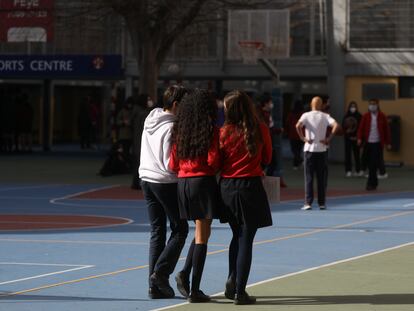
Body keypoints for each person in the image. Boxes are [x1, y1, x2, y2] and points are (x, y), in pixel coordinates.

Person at [219, 90, 273, 305]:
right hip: (250, 186)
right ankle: (240, 291)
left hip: (227, 187)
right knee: (246, 240)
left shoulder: (223, 132)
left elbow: (217, 162)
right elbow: (268, 157)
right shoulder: (260, 129)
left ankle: (233, 279)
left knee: (235, 235)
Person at [169, 88, 220, 303]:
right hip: (202, 183)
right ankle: (195, 290)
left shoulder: (180, 130)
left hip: (183, 183)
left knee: (203, 232)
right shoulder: (210, 130)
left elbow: (172, 164)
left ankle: (184, 272)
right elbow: (213, 161)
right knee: (202, 236)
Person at [139, 85, 189, 299]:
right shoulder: (172, 128)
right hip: (164, 181)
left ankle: (154, 286)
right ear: (176, 105)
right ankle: (160, 274)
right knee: (180, 228)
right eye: (185, 105)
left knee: (157, 231)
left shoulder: (151, 119)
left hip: (146, 178)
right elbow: (170, 162)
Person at [296, 96, 339, 210]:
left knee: (308, 177)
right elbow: (336, 125)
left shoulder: (306, 115)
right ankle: (322, 203)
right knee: (321, 177)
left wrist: (303, 138)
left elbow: (297, 126)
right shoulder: (325, 116)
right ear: (321, 105)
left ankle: (308, 202)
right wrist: (328, 139)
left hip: (309, 149)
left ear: (311, 104)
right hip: (322, 149)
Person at [357, 98, 391, 191]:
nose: (372, 106)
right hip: (368, 143)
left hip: (377, 143)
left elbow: (386, 130)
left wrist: (388, 143)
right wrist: (359, 138)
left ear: (377, 105)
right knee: (367, 162)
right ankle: (374, 183)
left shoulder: (382, 116)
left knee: (373, 164)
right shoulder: (366, 116)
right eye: (370, 104)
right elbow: (361, 128)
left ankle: (370, 184)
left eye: (374, 104)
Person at [257, 93, 286, 187]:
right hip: (262, 142)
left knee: (271, 162)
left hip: (268, 141)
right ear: (265, 103)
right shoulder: (259, 114)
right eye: (270, 102)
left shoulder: (267, 114)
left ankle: (264, 180)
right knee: (268, 162)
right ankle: (262, 180)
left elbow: (270, 128)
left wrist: (278, 131)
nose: (271, 104)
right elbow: (265, 129)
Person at [130, 94, 150, 189]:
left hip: (135, 140)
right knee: (140, 163)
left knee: (137, 163)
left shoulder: (135, 112)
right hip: (141, 141)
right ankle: (138, 183)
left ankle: (135, 182)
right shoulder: (143, 113)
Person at [342, 101, 362, 177]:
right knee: (348, 155)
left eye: (354, 106)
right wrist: (348, 134)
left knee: (357, 155)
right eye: (351, 107)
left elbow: (361, 128)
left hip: (356, 139)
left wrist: (358, 137)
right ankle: (348, 170)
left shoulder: (359, 116)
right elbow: (343, 127)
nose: (352, 108)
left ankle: (358, 170)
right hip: (348, 139)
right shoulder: (346, 116)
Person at [285, 100, 304, 169]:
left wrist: (287, 132)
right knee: (298, 150)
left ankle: (297, 163)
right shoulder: (303, 114)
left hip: (292, 135)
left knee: (294, 150)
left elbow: (287, 124)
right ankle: (297, 163)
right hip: (301, 135)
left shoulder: (291, 114)